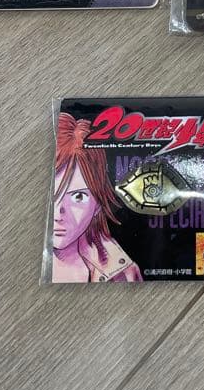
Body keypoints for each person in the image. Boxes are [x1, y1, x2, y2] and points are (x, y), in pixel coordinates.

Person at [51, 112, 142, 283]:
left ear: (98, 204)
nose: (58, 213)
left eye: (78, 196)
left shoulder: (122, 274)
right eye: (53, 194)